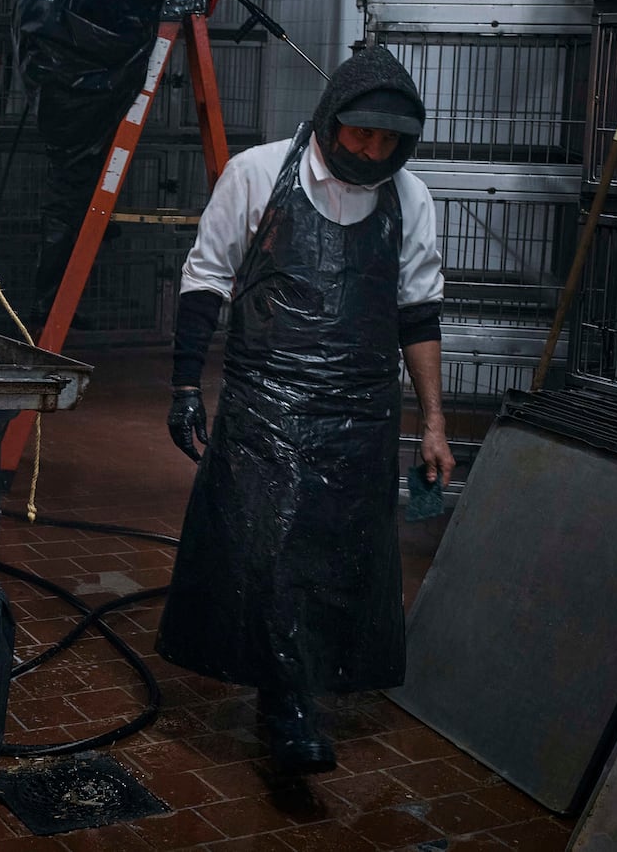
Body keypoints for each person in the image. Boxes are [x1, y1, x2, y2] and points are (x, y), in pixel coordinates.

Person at [156, 45, 455, 776]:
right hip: (268, 408)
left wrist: (435, 422)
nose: (372, 149)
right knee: (270, 551)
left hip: (360, 413)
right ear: (331, 119)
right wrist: (185, 384)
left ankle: (305, 681)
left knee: (338, 559)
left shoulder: (410, 197)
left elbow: (418, 314)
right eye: (361, 134)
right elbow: (206, 279)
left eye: (388, 140)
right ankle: (289, 705)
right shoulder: (257, 174)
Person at [12, 0, 227, 325]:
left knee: (71, 168)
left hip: (41, 33)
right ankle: (49, 313)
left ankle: (69, 268)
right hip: (88, 50)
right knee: (74, 183)